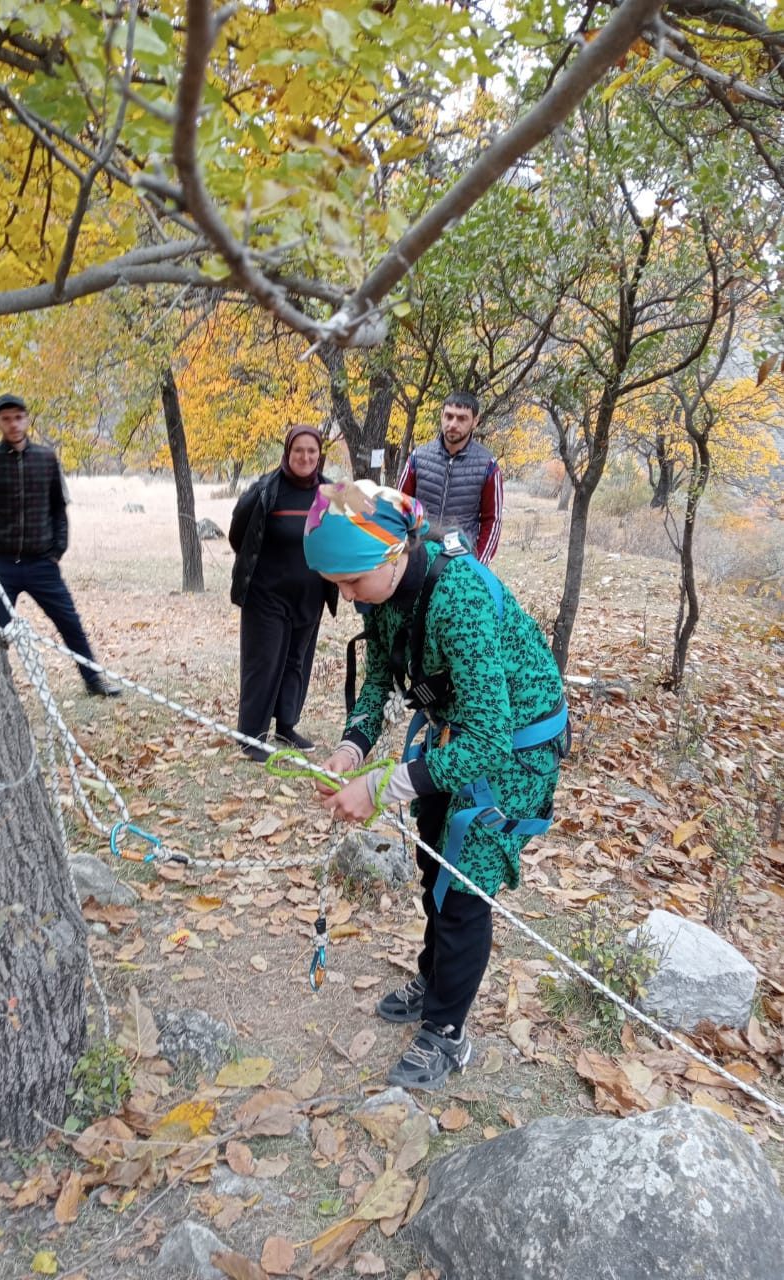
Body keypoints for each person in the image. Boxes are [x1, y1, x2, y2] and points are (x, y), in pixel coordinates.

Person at [303, 480, 567, 1090]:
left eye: (352, 582)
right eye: (336, 585)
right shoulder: (383, 591)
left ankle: (448, 1032)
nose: (346, 597)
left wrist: (383, 787)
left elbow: (490, 737)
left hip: (516, 745)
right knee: (432, 856)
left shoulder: (460, 596)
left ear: (394, 552)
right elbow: (379, 683)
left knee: (465, 880)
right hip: (460, 731)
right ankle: (437, 975)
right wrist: (352, 747)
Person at [0, 393, 120, 696]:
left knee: (69, 622)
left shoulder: (46, 459)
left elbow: (59, 508)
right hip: (0, 565)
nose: (13, 424)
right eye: (6, 418)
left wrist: (56, 550)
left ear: (27, 418)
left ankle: (93, 681)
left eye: (18, 417)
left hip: (41, 564)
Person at [228, 425, 339, 762]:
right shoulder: (265, 489)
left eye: (312, 451)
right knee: (264, 663)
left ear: (320, 455)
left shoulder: (333, 492)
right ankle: (252, 737)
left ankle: (286, 725)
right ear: (287, 453)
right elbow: (238, 536)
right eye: (298, 451)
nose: (305, 457)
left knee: (297, 661)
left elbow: (358, 525)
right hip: (266, 595)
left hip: (310, 594)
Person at [397, 391, 502, 564]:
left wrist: (478, 564)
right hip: (418, 554)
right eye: (449, 416)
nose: (453, 424)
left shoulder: (488, 465)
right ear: (442, 416)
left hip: (461, 559)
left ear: (475, 421)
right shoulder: (418, 457)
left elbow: (492, 520)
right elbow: (401, 505)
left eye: (462, 418)